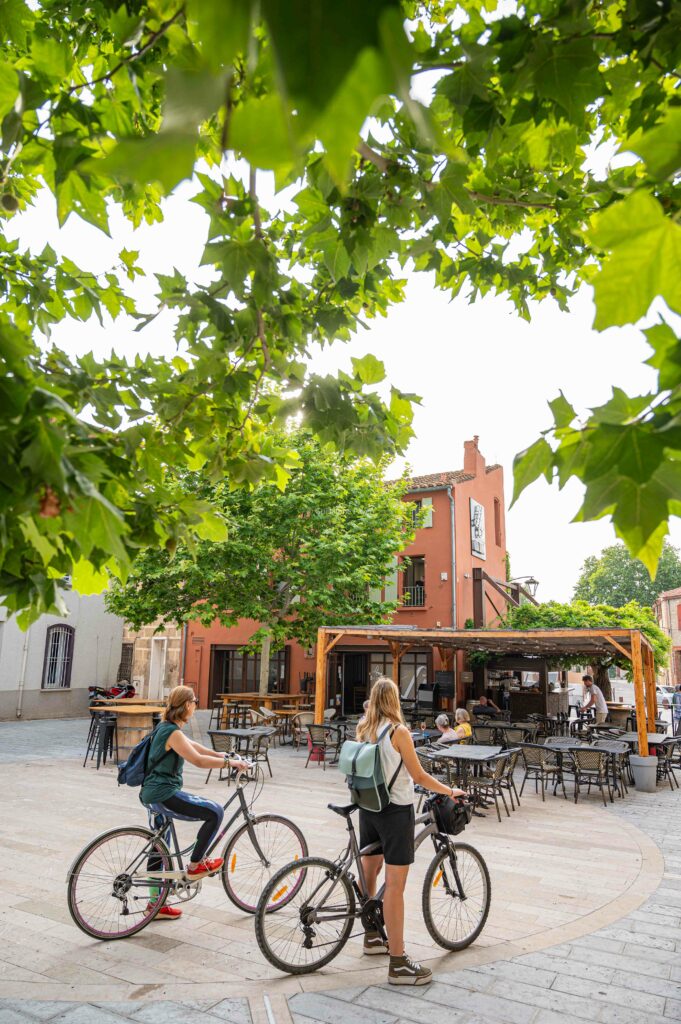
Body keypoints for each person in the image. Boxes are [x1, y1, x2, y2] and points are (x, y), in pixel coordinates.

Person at [357, 677, 466, 986]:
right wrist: (449, 790)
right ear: (394, 700)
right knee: (395, 886)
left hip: (368, 806)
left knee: (370, 870)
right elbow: (417, 774)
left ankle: (372, 937)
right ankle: (398, 962)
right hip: (394, 811)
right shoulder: (398, 731)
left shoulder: (364, 729)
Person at [141, 685, 249, 920]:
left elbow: (197, 749)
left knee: (159, 849)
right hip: (163, 793)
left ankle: (155, 905)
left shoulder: (168, 728)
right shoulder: (173, 732)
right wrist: (232, 765)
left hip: (152, 793)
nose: (196, 705)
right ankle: (196, 865)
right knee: (215, 812)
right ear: (187, 705)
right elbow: (198, 760)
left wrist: (223, 755)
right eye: (195, 701)